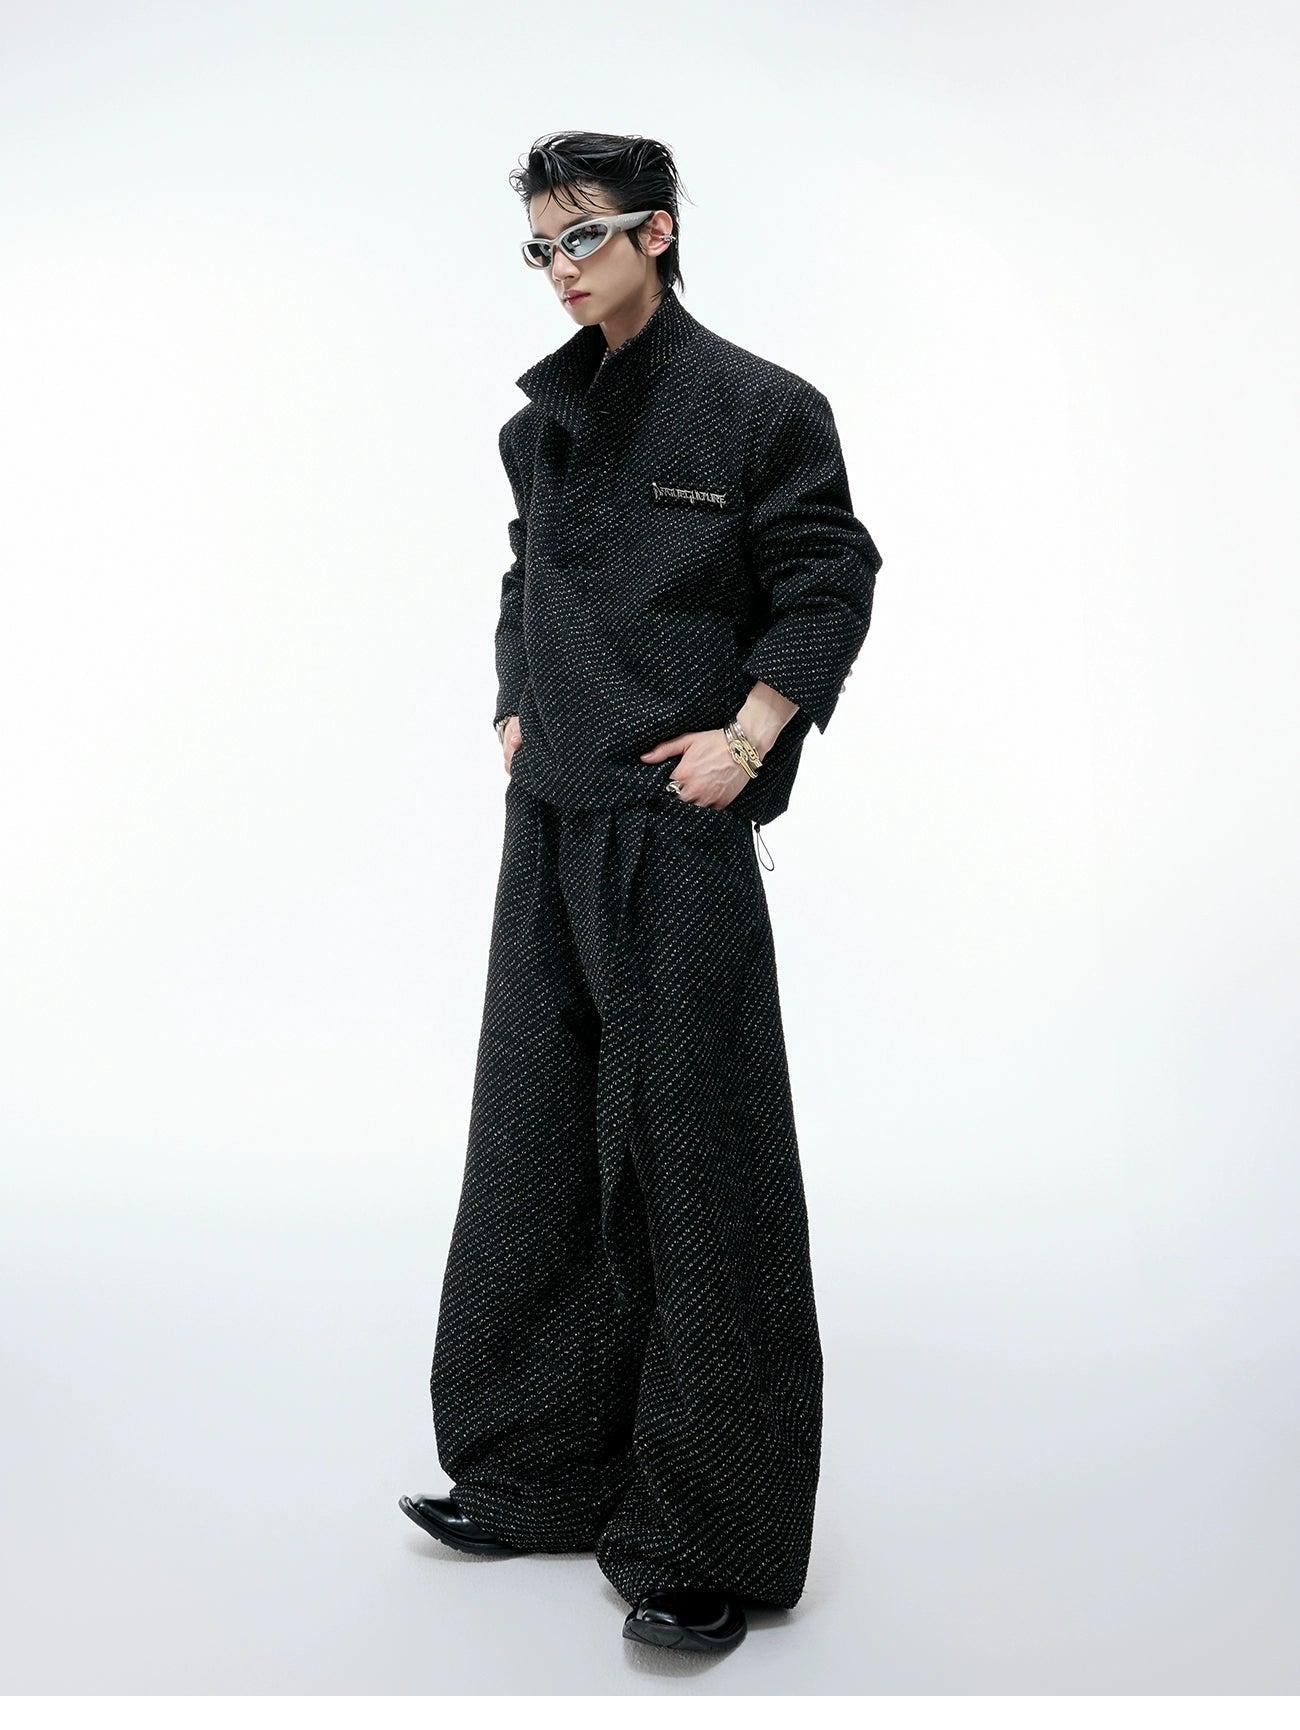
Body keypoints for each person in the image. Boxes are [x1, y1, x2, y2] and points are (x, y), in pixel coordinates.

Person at [401, 130, 883, 1656]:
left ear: (657, 232)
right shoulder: (537, 426)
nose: (560, 269)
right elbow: (524, 576)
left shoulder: (760, 406)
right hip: (550, 822)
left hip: (673, 837)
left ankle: (705, 1535)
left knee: (698, 1165)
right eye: (540, 246)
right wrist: (512, 702)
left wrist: (751, 735)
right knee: (535, 1144)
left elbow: (829, 578)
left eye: (584, 237)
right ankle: (537, 1472)